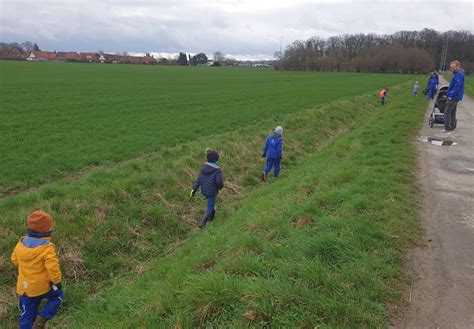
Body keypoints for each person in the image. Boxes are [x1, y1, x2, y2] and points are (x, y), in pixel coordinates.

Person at [11, 210, 64, 329]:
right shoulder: (47, 247)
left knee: (26, 314)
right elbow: (53, 267)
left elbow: (14, 260)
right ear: (47, 230)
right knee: (57, 296)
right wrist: (57, 282)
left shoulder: (21, 243)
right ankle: (43, 317)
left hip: (25, 288)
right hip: (43, 286)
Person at [190, 148, 224, 229]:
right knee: (210, 207)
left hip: (204, 190)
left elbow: (198, 180)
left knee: (211, 203)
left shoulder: (203, 168)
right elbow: (219, 181)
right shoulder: (217, 170)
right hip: (212, 191)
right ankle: (202, 224)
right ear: (216, 160)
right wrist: (221, 186)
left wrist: (193, 190)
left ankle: (212, 217)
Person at [441, 60, 465, 134]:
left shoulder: (459, 75)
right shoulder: (456, 74)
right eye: (451, 67)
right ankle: (451, 128)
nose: (452, 68)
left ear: (457, 67)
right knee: (452, 112)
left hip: (454, 96)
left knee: (447, 112)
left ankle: (447, 129)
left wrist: (450, 95)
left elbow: (457, 87)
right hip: (454, 96)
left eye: (453, 67)